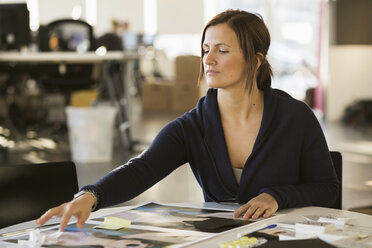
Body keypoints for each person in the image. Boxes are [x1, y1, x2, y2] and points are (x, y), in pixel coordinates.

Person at [36, 9, 339, 231]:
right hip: (224, 239)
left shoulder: (295, 117)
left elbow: (327, 188)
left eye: (222, 50)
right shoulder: (193, 126)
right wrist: (91, 196)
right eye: (206, 49)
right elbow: (141, 169)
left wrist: (277, 196)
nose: (208, 59)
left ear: (255, 60)